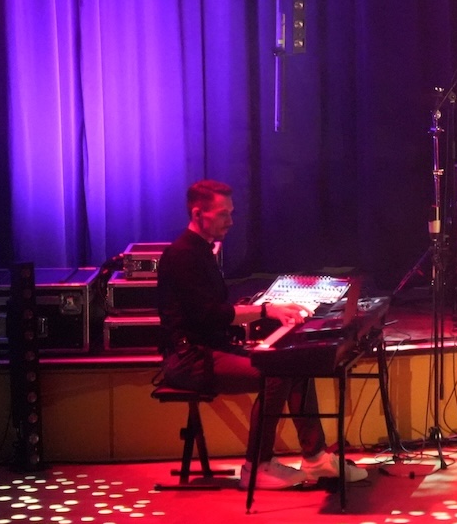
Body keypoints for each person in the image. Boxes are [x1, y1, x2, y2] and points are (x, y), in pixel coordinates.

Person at [155, 180, 368, 490]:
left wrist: (263, 313)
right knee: (276, 374)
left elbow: (213, 312)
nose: (231, 221)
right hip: (189, 359)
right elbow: (210, 314)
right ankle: (257, 465)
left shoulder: (202, 251)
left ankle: (315, 457)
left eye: (231, 213)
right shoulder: (182, 255)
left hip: (209, 348)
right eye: (223, 214)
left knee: (297, 362)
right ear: (198, 214)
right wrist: (266, 310)